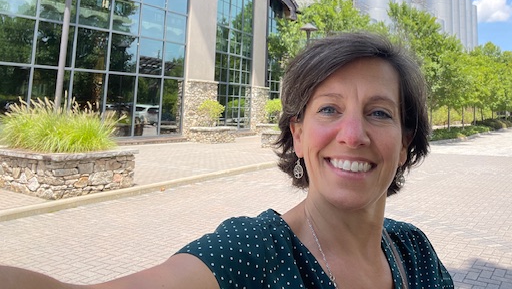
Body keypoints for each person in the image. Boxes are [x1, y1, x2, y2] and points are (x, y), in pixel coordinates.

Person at [1, 32, 454, 288]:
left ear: (404, 142)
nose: (353, 135)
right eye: (329, 109)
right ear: (298, 136)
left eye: (379, 113)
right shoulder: (253, 253)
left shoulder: (414, 253)